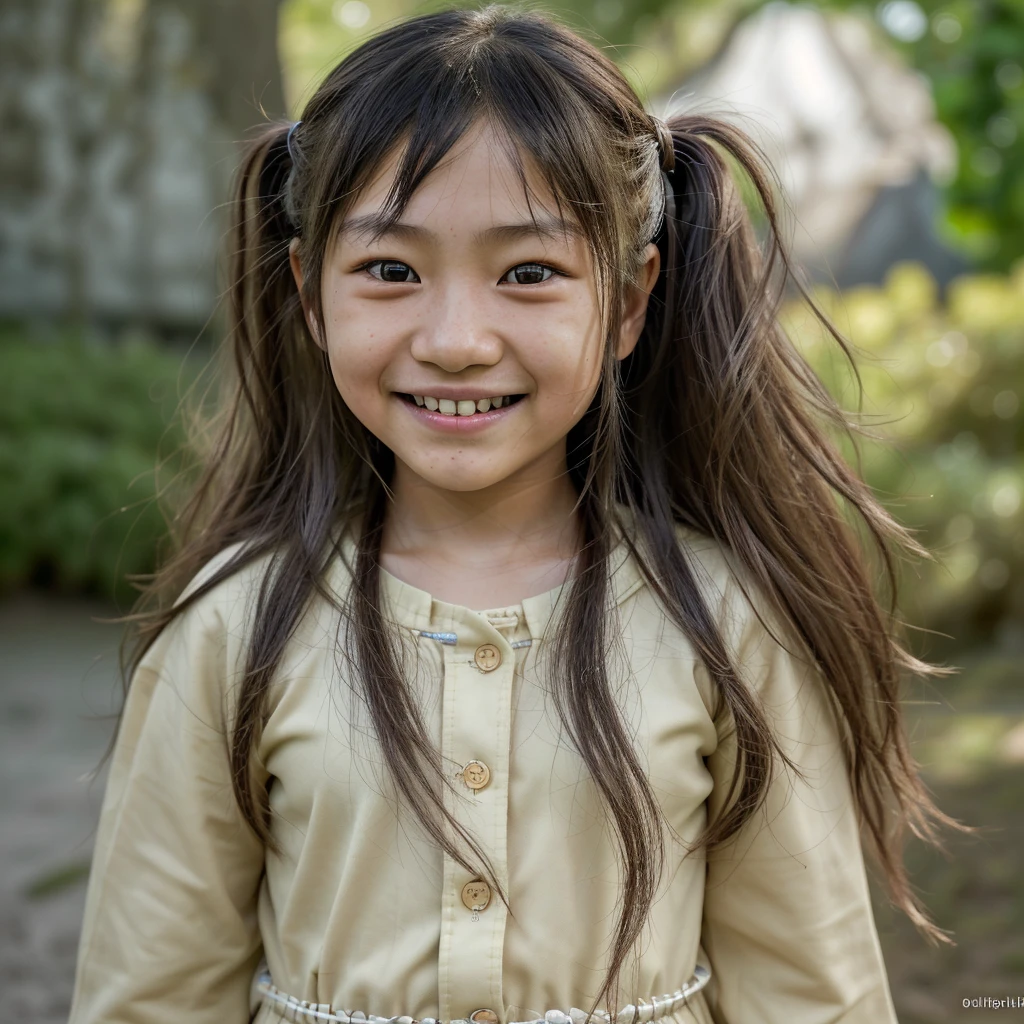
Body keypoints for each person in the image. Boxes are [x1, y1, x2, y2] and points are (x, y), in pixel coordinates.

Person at [67, 5, 967, 1023]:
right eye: (391, 271)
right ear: (310, 295)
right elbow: (150, 995)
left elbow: (813, 997)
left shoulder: (724, 621)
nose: (456, 338)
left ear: (628, 301)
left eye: (529, 273)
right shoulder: (230, 629)